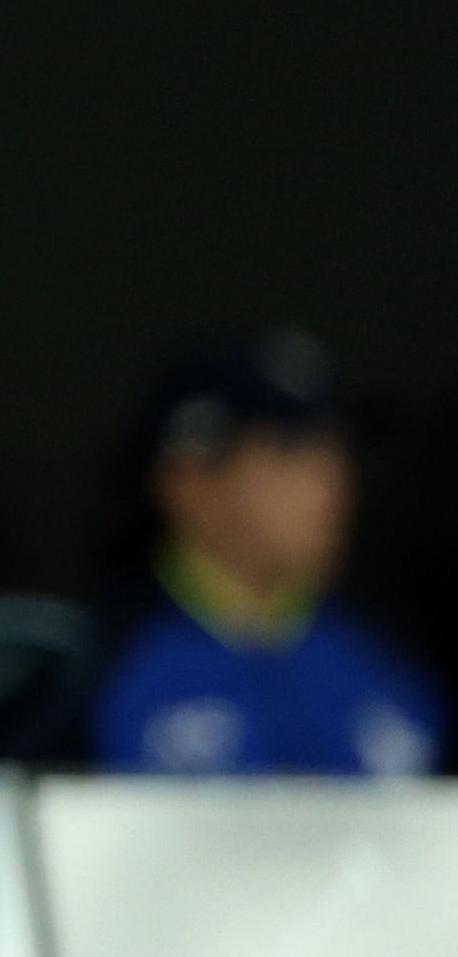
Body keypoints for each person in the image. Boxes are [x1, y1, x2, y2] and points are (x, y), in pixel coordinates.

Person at [92, 332, 442, 775]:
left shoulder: (396, 658)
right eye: (290, 448)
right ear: (188, 481)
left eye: (338, 447)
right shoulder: (92, 666)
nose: (331, 479)